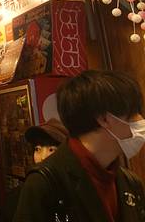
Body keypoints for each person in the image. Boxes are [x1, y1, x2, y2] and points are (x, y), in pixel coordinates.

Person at [13, 70, 145, 221]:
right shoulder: (44, 182)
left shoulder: (130, 182)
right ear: (104, 119)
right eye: (133, 113)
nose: (141, 120)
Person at [0, 118, 68, 222]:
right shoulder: (19, 197)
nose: (43, 157)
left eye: (51, 149)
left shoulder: (76, 190)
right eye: (38, 149)